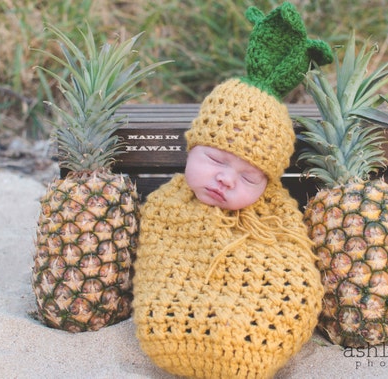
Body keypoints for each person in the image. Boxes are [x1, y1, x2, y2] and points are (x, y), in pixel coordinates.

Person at [132, 3, 333, 378]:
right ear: (192, 147)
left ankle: (246, 345)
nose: (226, 179)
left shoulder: (275, 219)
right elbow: (158, 268)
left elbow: (295, 272)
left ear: (269, 185)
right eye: (216, 160)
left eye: (249, 177)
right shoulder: (165, 207)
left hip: (253, 307)